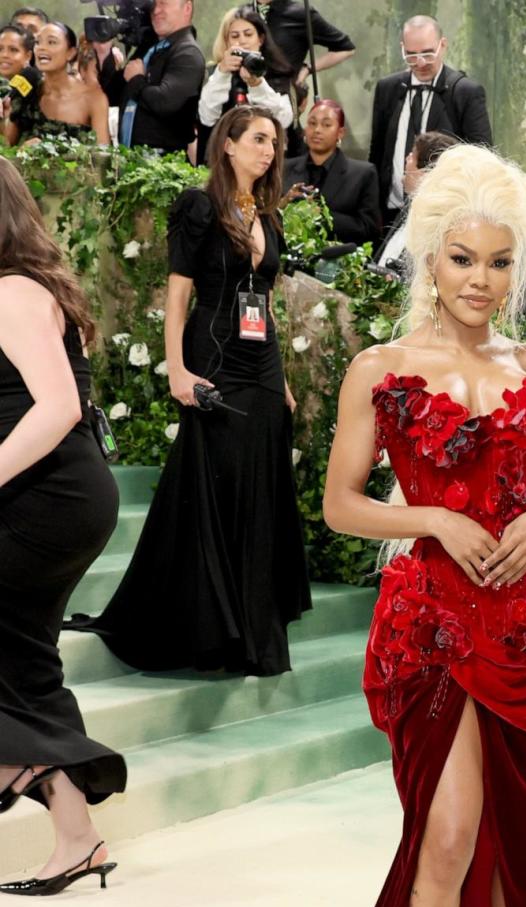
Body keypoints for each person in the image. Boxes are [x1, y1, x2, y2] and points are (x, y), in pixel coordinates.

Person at [33, 144, 526, 907]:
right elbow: (341, 503)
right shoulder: (384, 369)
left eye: (499, 262)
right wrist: (437, 524)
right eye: (461, 258)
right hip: (440, 626)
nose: (480, 281)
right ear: (430, 261)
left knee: (521, 837)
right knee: (449, 835)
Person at [67, 106, 311, 676]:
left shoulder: (268, 215)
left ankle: (251, 620)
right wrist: (175, 369)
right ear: (226, 144)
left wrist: (285, 381)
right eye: (257, 139)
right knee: (219, 479)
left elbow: (268, 300)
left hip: (262, 361)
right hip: (213, 354)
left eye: (273, 142)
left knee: (259, 482)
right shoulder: (198, 205)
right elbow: (178, 295)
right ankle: (213, 626)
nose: (268, 151)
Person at [0, 156, 125, 896]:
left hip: (45, 497)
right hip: (57, 496)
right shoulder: (29, 288)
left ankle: (19, 766)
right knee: (23, 660)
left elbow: (56, 408)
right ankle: (77, 837)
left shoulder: (12, 291)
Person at [369, 14, 492, 229]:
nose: (420, 63)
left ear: (442, 45)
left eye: (427, 53)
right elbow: (377, 152)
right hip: (390, 216)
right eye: (411, 55)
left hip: (441, 217)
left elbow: (482, 158)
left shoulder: (465, 92)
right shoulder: (387, 88)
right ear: (402, 49)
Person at [93, 0, 204, 155]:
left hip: (163, 164)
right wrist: (103, 53)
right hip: (130, 157)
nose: (155, 11)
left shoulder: (187, 52)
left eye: (163, 4)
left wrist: (137, 79)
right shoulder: (149, 49)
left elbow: (165, 103)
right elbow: (112, 95)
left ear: (187, 8)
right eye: (153, 5)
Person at [198, 6, 293, 164]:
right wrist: (222, 73)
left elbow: (284, 120)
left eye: (248, 34)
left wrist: (257, 84)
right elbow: (207, 117)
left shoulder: (277, 72)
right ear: (226, 41)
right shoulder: (215, 73)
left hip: (265, 162)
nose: (242, 41)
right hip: (224, 160)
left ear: (261, 39)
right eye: (234, 36)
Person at [282, 98, 379, 247]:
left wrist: (321, 214)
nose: (317, 130)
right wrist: (284, 203)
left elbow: (369, 229)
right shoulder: (285, 168)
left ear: (340, 132)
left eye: (326, 125)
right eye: (312, 123)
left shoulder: (362, 174)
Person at [8, 22, 109, 145]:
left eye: (51, 42)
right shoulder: (28, 90)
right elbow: (6, 148)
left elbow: (103, 155)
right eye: (37, 42)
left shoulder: (93, 98)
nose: (41, 48)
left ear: (70, 53)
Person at [374, 128, 457, 271]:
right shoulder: (409, 208)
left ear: (425, 174)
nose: (407, 158)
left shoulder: (439, 227)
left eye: (412, 155)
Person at [256, 0, 354, 101]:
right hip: (244, 99)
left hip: (280, 100)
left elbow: (346, 48)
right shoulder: (244, 13)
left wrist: (307, 69)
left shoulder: (300, 14)